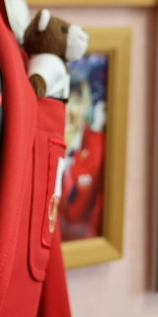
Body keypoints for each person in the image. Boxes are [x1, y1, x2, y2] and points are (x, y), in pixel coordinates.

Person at [58, 70, 105, 241]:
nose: (68, 110)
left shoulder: (100, 145)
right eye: (63, 100)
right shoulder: (43, 145)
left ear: (86, 105)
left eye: (76, 101)